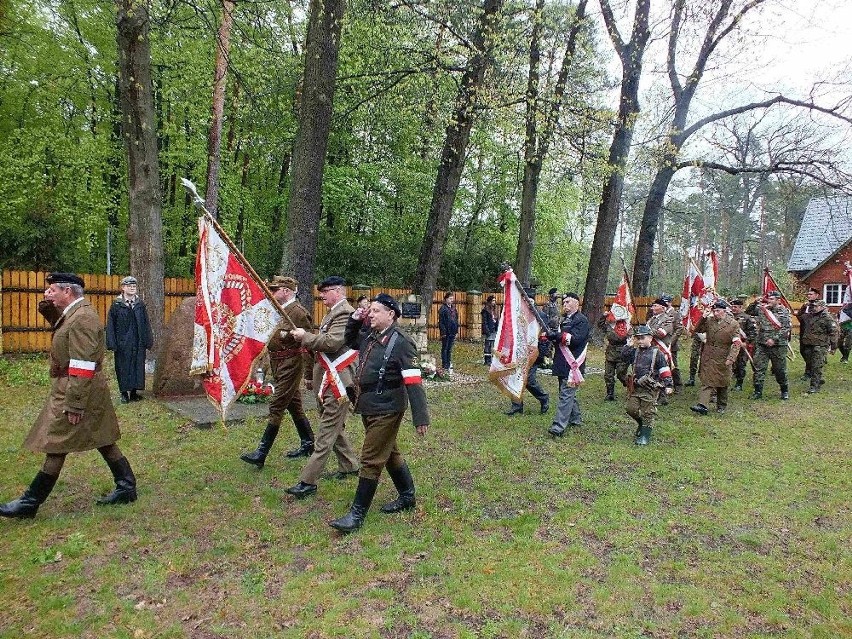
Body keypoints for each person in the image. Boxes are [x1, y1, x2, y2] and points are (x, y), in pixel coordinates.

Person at [1, 273, 137, 519]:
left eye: (52, 290)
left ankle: (30, 503)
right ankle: (127, 487)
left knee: (57, 443)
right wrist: (50, 310)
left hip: (78, 390)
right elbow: (64, 334)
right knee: (103, 439)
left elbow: (82, 363)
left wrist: (74, 405)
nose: (47, 293)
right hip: (82, 389)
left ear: (68, 292)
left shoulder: (83, 318)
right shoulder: (75, 314)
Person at [330, 293, 430, 533]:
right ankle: (407, 496)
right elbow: (351, 340)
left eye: (375, 311)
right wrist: (355, 319)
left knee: (371, 458)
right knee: (390, 452)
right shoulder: (372, 337)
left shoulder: (401, 342)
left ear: (391, 314)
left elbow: (413, 381)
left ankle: (356, 515)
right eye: (370, 310)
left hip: (388, 407)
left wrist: (420, 417)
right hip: (369, 405)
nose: (370, 314)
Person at [285, 276, 360, 499]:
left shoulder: (344, 313)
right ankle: (350, 465)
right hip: (329, 379)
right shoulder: (334, 313)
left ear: (337, 291)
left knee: (325, 434)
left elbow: (332, 343)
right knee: (333, 426)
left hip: (338, 381)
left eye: (325, 292)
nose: (322, 296)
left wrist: (305, 337)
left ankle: (307, 481)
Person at [240, 276, 315, 468]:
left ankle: (261, 452)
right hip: (278, 363)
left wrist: (308, 374)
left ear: (286, 291)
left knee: (277, 405)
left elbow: (307, 346)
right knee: (294, 405)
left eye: (275, 290)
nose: (272, 293)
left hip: (292, 364)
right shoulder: (279, 309)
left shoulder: (298, 313)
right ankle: (308, 443)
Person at [621, 324, 673, 445]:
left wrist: (668, 385)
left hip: (650, 388)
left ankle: (645, 435)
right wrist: (628, 345)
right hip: (635, 387)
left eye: (642, 338)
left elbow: (664, 369)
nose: (640, 341)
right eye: (637, 338)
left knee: (648, 412)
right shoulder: (634, 351)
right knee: (630, 409)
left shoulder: (656, 353)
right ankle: (641, 424)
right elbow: (623, 357)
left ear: (650, 337)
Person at [546, 292, 589, 436]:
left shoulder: (581, 320)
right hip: (562, 362)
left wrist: (556, 336)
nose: (565, 305)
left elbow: (575, 339)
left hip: (572, 364)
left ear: (577, 303)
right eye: (563, 303)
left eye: (568, 302)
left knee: (566, 394)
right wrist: (550, 337)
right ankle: (575, 419)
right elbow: (560, 338)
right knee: (567, 393)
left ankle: (558, 426)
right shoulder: (564, 321)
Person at [689, 300, 742, 415]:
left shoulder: (733, 324)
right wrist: (702, 318)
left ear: (724, 311)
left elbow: (737, 343)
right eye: (714, 310)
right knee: (706, 380)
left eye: (718, 310)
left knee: (722, 382)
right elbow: (696, 330)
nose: (715, 313)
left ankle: (721, 405)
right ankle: (702, 405)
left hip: (723, 355)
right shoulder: (709, 321)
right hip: (708, 354)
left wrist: (731, 357)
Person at [106, 275, 153, 403]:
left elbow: (145, 323)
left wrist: (148, 340)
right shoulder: (116, 305)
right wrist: (112, 342)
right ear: (123, 288)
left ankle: (134, 392)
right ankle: (123, 393)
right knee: (123, 367)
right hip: (122, 343)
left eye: (134, 286)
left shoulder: (140, 304)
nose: (132, 288)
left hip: (138, 342)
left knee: (137, 366)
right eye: (129, 286)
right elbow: (110, 325)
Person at [505, 288, 549, 416]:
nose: (525, 302)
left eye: (528, 300)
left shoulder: (541, 316)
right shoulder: (518, 314)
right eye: (523, 300)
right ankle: (517, 405)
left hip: (533, 353)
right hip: (519, 352)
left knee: (529, 380)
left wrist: (542, 354)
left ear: (532, 300)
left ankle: (543, 398)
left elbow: (544, 337)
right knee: (515, 378)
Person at [751, 291, 792, 400]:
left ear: (778, 300)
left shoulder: (784, 312)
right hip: (762, 344)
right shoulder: (762, 309)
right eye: (769, 299)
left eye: (772, 299)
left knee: (780, 369)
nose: (769, 301)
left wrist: (774, 339)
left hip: (778, 345)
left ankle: (784, 391)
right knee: (759, 368)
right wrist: (755, 302)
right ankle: (757, 391)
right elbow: (749, 311)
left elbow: (785, 328)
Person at [800, 298, 839, 394]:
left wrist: (834, 346)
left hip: (820, 345)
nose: (814, 308)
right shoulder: (811, 316)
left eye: (816, 306)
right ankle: (819, 379)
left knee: (817, 366)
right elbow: (800, 316)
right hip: (809, 344)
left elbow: (833, 332)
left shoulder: (827, 318)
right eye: (813, 306)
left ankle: (814, 386)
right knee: (810, 364)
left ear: (822, 307)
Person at [597, 307, 630, 401]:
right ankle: (610, 394)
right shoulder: (610, 325)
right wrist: (604, 316)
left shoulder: (628, 326)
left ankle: (630, 386)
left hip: (623, 353)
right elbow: (600, 325)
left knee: (621, 374)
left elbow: (628, 338)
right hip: (610, 353)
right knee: (608, 375)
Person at [646, 298, 675, 404]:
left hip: (661, 350)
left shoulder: (668, 319)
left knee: (661, 373)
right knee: (653, 372)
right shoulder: (651, 319)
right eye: (652, 306)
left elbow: (661, 333)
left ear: (662, 308)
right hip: (651, 349)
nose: (652, 308)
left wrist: (647, 331)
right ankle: (655, 395)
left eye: (655, 306)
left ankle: (662, 397)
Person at [730, 298, 757, 391]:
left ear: (741, 307)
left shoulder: (747, 318)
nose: (733, 308)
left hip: (742, 345)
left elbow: (753, 332)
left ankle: (739, 383)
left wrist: (747, 342)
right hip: (731, 344)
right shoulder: (728, 317)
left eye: (735, 307)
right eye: (732, 306)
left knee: (740, 364)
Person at [795, 287, 821, 381]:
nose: (808, 296)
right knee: (803, 351)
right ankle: (811, 368)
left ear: (816, 295)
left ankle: (809, 372)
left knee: (809, 352)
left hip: (813, 333)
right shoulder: (806, 305)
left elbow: (813, 317)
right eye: (808, 294)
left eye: (811, 294)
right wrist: (800, 311)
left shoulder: (819, 305)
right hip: (804, 332)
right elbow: (800, 318)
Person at [662, 294, 685, 392]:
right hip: (660, 344)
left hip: (671, 345)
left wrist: (671, 342)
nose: (664, 303)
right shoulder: (659, 313)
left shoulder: (675, 314)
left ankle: (678, 385)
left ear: (670, 302)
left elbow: (679, 329)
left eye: (666, 301)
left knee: (673, 365)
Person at [438, 292, 458, 371]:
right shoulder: (443, 309)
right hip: (446, 332)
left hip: (452, 331)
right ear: (446, 299)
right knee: (445, 348)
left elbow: (456, 320)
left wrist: (456, 331)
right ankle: (444, 364)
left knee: (449, 348)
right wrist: (443, 333)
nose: (451, 300)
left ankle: (449, 363)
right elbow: (441, 322)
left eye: (452, 299)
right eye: (450, 298)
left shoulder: (454, 308)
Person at [481, 295, 498, 366]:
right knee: (488, 345)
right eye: (493, 300)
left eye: (494, 300)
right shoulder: (486, 310)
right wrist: (487, 331)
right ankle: (487, 360)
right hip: (489, 330)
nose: (494, 302)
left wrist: (497, 327)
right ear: (490, 301)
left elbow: (496, 318)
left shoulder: (494, 309)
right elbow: (485, 322)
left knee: (493, 345)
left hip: (494, 330)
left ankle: (492, 360)